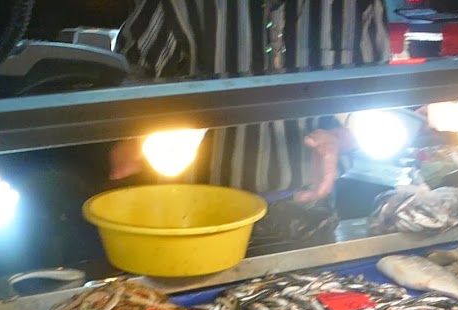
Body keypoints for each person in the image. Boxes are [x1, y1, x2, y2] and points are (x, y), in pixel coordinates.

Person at [110, 0, 392, 201]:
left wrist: (341, 138)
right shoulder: (178, 5)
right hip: (196, 207)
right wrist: (152, 133)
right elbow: (124, 87)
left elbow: (376, 99)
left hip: (310, 204)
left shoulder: (357, 5)